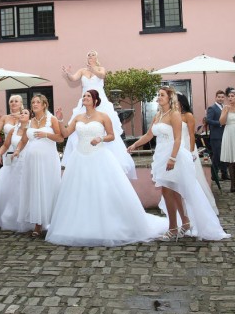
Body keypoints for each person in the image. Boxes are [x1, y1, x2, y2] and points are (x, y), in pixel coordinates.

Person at [46, 90, 168, 246]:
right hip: (79, 159)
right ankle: (81, 225)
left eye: (88, 96)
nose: (85, 98)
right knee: (80, 191)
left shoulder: (103, 116)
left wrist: (100, 138)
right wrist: (60, 119)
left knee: (101, 190)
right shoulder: (77, 117)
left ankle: (106, 224)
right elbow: (65, 134)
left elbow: (112, 135)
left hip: (98, 157)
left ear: (95, 100)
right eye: (83, 96)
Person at [127, 86, 230, 242]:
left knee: (169, 191)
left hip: (173, 155)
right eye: (158, 95)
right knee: (173, 192)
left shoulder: (174, 115)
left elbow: (178, 139)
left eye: (162, 95)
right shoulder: (158, 115)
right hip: (160, 155)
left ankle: (173, 228)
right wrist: (134, 145)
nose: (159, 97)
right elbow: (149, 135)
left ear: (169, 98)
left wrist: (173, 158)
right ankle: (185, 222)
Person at [60, 50, 136, 179]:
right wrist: (68, 74)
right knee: (77, 129)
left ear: (96, 57)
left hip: (100, 101)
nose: (90, 56)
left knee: (106, 130)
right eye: (88, 55)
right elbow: (73, 79)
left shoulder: (101, 69)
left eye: (92, 54)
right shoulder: (82, 70)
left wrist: (93, 69)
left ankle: (107, 161)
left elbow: (102, 76)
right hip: (85, 102)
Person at [158, 92, 218, 218]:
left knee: (191, 177)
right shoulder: (170, 115)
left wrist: (191, 152)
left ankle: (197, 206)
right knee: (174, 178)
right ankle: (178, 208)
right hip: (174, 148)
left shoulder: (188, 116)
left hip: (186, 147)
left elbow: (191, 135)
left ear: (181, 102)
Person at [12, 94, 63, 237]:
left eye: (38, 102)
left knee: (48, 188)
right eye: (33, 102)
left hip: (48, 161)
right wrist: (17, 150)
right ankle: (37, 224)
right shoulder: (29, 122)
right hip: (31, 161)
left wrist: (46, 135)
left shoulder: (51, 119)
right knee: (35, 189)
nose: (34, 104)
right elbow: (23, 141)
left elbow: (60, 138)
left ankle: (53, 221)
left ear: (44, 105)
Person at [0, 109, 31, 228]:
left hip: (29, 162)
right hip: (15, 162)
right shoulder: (13, 129)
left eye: (26, 113)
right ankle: (12, 215)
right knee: (14, 189)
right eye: (21, 113)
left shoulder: (32, 130)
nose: (22, 114)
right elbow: (6, 145)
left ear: (30, 117)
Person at [205, 90, 228, 181]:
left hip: (225, 135)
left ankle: (224, 173)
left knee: (225, 155)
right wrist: (220, 123)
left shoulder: (225, 107)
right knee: (217, 156)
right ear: (216, 97)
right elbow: (208, 120)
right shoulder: (212, 108)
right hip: (216, 136)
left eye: (222, 97)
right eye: (219, 97)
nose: (220, 99)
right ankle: (214, 175)